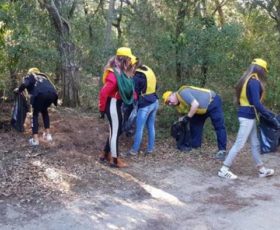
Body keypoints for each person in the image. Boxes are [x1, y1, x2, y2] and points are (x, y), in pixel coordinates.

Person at [218, 58, 278, 179]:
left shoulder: (247, 79)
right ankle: (223, 169)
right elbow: (256, 102)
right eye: (264, 71)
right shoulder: (254, 81)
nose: (265, 74)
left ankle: (261, 170)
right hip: (247, 117)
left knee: (255, 144)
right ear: (261, 70)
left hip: (247, 115)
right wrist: (269, 114)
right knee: (239, 144)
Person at [162, 85, 227, 158]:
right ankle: (196, 147)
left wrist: (188, 117)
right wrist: (180, 121)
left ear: (172, 94)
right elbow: (185, 115)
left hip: (212, 102)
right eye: (168, 103)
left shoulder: (183, 92)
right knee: (195, 125)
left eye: (169, 100)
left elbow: (195, 104)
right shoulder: (178, 106)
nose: (170, 103)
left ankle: (222, 151)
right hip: (200, 110)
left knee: (219, 127)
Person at [99, 47, 136, 168]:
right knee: (115, 131)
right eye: (129, 59)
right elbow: (104, 92)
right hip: (112, 105)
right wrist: (102, 108)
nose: (130, 62)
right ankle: (114, 160)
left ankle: (105, 154)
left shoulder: (120, 72)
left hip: (116, 104)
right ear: (124, 59)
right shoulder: (114, 73)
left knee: (116, 130)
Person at [15, 67, 58, 146]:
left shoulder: (31, 76)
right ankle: (48, 136)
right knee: (44, 112)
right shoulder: (44, 77)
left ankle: (35, 140)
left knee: (35, 115)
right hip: (52, 94)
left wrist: (18, 90)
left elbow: (25, 84)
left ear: (30, 72)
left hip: (40, 94)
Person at [127, 58, 159, 156]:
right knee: (150, 126)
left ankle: (134, 150)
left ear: (132, 66)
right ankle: (150, 149)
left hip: (145, 104)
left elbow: (134, 93)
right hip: (155, 101)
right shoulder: (147, 69)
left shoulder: (137, 76)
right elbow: (156, 86)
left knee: (139, 128)